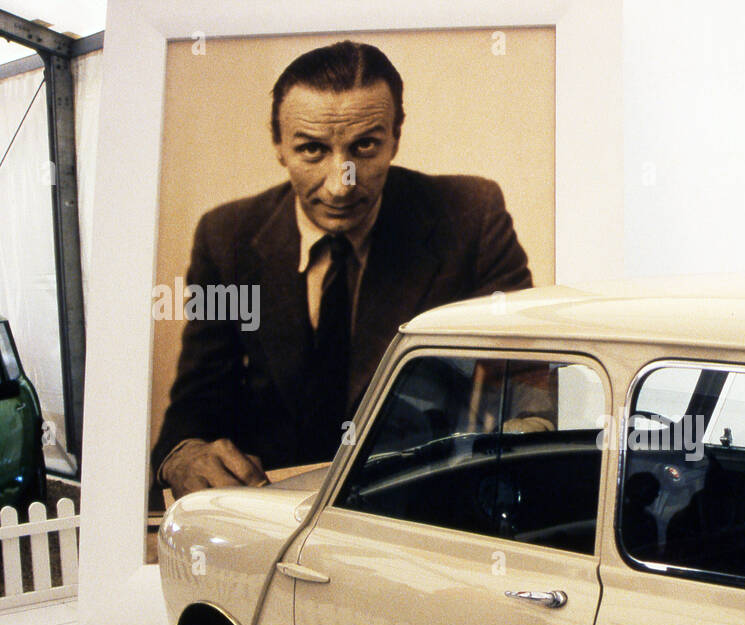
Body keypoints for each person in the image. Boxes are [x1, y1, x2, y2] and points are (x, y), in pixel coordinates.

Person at [152, 40, 533, 498]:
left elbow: (526, 369)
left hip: (425, 497)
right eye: (312, 149)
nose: (340, 186)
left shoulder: (472, 215)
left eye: (366, 146)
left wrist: (530, 431)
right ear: (278, 146)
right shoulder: (225, 238)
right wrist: (183, 454)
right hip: (272, 510)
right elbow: (197, 398)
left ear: (396, 135)